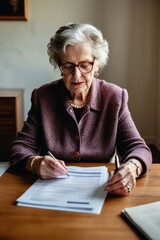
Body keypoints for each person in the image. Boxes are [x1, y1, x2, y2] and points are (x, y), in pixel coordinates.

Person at [10, 23, 152, 196]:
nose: (76, 75)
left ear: (97, 64)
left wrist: (132, 167)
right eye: (68, 66)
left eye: (85, 65)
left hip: (100, 192)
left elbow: (138, 148)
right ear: (59, 65)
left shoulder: (114, 97)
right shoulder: (43, 96)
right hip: (52, 193)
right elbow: (20, 147)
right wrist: (34, 163)